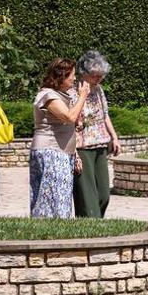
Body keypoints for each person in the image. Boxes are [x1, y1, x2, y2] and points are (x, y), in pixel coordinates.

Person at [28, 59, 89, 219]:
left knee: (58, 198)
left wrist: (74, 153)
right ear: (62, 76)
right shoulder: (48, 95)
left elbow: (67, 125)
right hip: (50, 152)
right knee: (52, 200)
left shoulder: (60, 95)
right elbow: (69, 117)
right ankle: (49, 234)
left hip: (61, 153)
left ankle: (53, 231)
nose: (75, 79)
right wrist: (83, 96)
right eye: (72, 75)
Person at [72, 50, 122, 219]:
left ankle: (96, 221)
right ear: (84, 73)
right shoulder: (73, 91)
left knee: (103, 194)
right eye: (95, 76)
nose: (99, 79)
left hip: (101, 143)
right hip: (82, 145)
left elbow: (105, 115)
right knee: (87, 195)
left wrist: (114, 137)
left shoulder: (99, 90)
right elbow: (71, 118)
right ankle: (89, 224)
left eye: (101, 75)